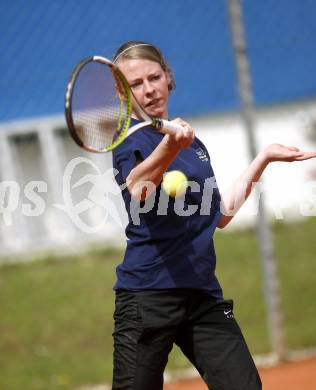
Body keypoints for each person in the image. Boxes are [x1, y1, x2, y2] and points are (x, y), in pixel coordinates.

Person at [111, 40, 316, 390]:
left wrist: (262, 159)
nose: (148, 90)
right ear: (122, 93)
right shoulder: (128, 141)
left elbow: (220, 214)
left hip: (201, 293)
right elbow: (139, 188)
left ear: (168, 78)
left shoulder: (194, 144)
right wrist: (171, 143)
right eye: (135, 84)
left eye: (154, 77)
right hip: (148, 297)